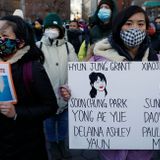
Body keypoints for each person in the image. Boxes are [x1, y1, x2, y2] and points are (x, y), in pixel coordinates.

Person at [88, 5, 159, 160]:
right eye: (128, 23)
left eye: (140, 24)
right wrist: (69, 91)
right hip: (110, 147)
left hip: (141, 149)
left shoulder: (156, 61)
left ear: (147, 28)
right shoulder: (98, 59)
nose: (135, 28)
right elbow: (82, 86)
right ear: (119, 27)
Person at [0, 15, 59, 160]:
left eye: (3, 35)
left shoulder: (32, 69)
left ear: (20, 42)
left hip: (26, 148)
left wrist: (17, 113)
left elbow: (51, 106)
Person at [37, 12, 78, 160]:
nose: (53, 30)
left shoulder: (68, 47)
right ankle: (52, 144)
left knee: (63, 123)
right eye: (49, 27)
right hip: (46, 99)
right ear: (44, 29)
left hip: (66, 97)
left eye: (56, 27)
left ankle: (61, 142)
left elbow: (76, 69)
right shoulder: (38, 46)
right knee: (49, 123)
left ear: (61, 29)